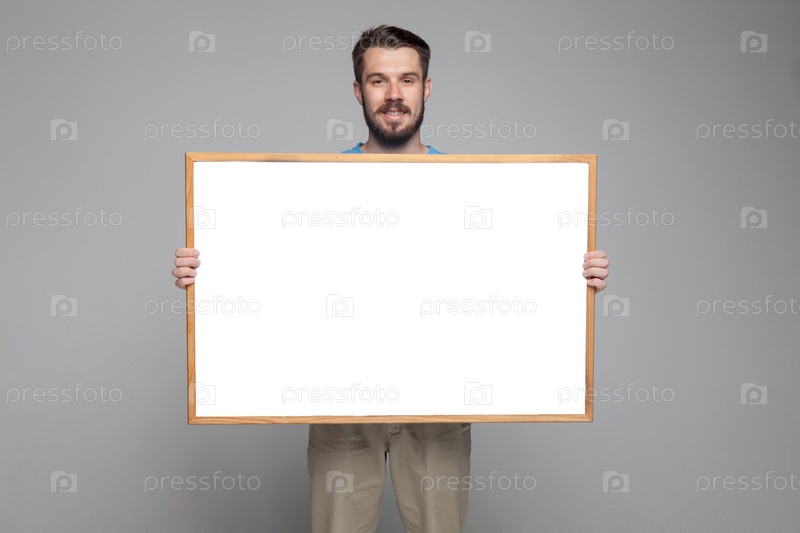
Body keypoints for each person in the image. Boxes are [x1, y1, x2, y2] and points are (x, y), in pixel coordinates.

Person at [173, 25, 610, 533]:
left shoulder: (476, 190)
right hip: (339, 402)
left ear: (427, 88)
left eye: (408, 79)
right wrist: (208, 273)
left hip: (439, 402)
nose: (394, 94)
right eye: (378, 80)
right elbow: (276, 280)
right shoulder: (312, 188)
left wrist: (572, 274)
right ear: (358, 91)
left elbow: (509, 281)